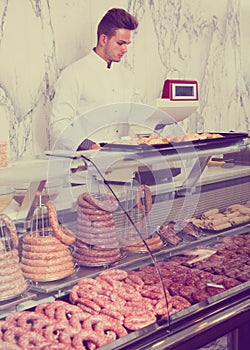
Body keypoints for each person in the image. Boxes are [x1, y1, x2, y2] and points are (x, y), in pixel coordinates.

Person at [49, 8, 140, 151]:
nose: (125, 50)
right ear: (104, 39)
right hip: (84, 164)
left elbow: (138, 114)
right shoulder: (74, 74)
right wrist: (89, 146)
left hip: (122, 162)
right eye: (120, 43)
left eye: (127, 44)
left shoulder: (127, 77)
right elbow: (59, 125)